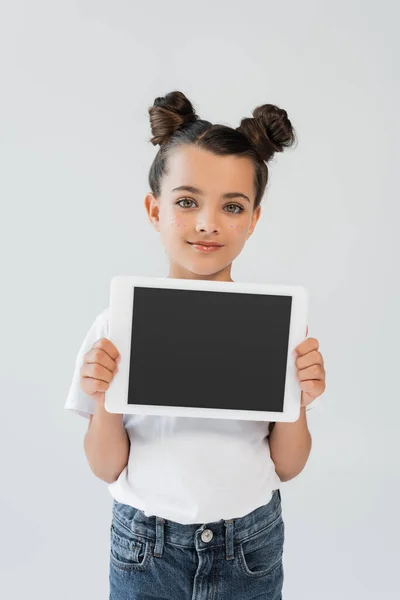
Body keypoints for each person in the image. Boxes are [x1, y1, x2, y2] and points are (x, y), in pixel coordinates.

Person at [64, 91, 326, 599]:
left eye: (232, 206)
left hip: (248, 544)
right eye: (187, 201)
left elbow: (289, 466)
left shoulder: (278, 326)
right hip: (146, 544)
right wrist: (103, 399)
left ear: (253, 219)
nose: (208, 222)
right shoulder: (116, 323)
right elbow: (105, 466)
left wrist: (300, 398)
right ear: (153, 209)